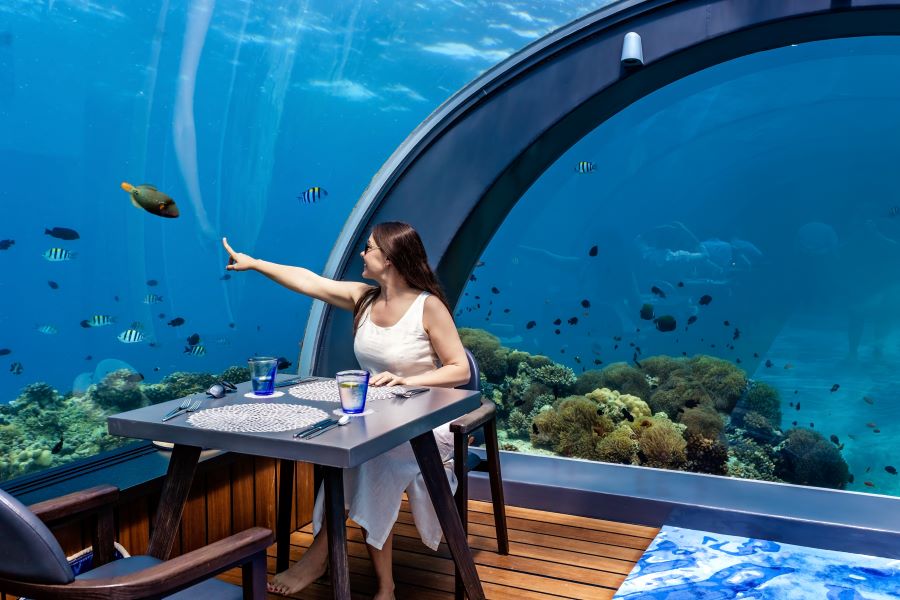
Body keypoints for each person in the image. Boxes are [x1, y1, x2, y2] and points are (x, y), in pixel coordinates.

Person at [221, 221, 471, 599]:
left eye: (368, 248)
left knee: (370, 459)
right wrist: (256, 263)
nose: (361, 253)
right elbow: (309, 282)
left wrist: (409, 382)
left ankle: (331, 560)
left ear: (388, 259)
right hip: (377, 417)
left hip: (426, 424)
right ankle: (371, 577)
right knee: (358, 454)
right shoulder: (364, 299)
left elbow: (460, 369)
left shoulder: (428, 306)